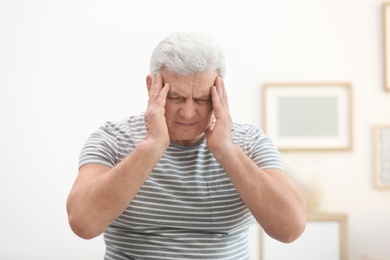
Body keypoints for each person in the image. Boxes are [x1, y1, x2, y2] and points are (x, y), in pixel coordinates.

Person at [66, 31, 306, 259]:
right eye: (176, 97)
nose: (189, 113)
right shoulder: (112, 139)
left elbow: (290, 229)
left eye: (202, 99)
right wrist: (151, 147)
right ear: (152, 86)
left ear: (219, 92)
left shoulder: (250, 142)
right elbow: (83, 224)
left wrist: (227, 151)